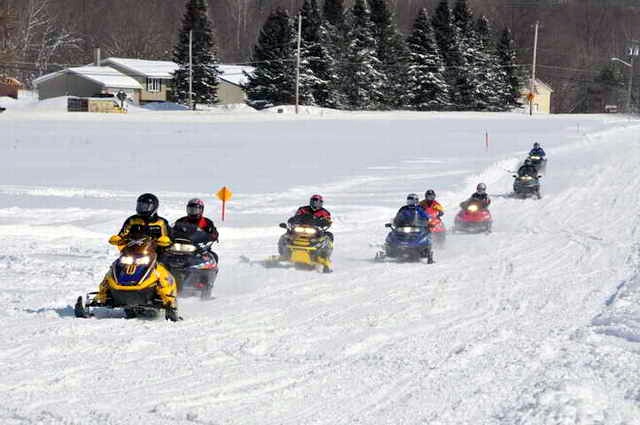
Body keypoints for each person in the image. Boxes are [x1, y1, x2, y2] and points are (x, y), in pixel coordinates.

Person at [95, 193, 177, 316]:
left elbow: (170, 238)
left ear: (153, 207)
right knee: (114, 268)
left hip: (155, 253)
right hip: (132, 253)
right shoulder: (132, 220)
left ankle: (168, 300)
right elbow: (123, 234)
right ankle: (102, 295)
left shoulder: (161, 223)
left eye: (145, 206)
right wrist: (117, 239)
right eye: (140, 205)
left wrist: (165, 241)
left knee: (160, 272)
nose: (142, 208)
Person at [279, 195, 334, 272]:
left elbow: (327, 220)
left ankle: (325, 256)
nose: (317, 204)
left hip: (315, 230)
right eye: (315, 202)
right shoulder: (303, 209)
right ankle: (284, 252)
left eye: (319, 202)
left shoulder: (324, 212)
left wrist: (325, 223)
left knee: (328, 236)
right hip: (301, 228)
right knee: (286, 235)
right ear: (311, 201)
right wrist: (291, 221)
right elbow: (296, 217)